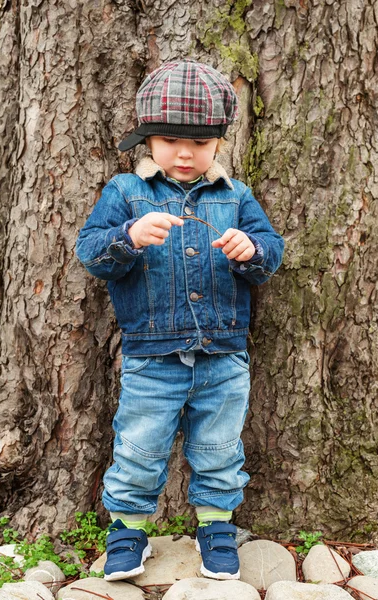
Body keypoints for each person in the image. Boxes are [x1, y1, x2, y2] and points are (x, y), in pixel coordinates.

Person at [76, 59, 284, 582]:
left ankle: (215, 526)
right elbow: (90, 251)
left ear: (218, 141)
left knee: (218, 448)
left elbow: (272, 252)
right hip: (151, 355)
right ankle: (127, 529)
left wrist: (250, 248)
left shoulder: (235, 197)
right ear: (147, 139)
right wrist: (128, 236)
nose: (185, 153)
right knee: (140, 447)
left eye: (200, 141)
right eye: (169, 140)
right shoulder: (126, 192)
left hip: (222, 353)